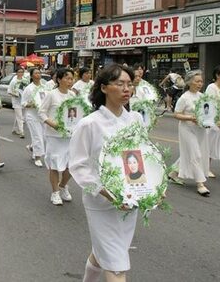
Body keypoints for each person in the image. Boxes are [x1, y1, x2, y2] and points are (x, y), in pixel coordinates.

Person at [69, 64, 142, 282]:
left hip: (130, 201)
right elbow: (78, 166)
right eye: (119, 84)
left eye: (129, 84)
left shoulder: (135, 119)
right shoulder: (89, 124)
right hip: (101, 203)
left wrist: (153, 187)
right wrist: (106, 193)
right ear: (103, 88)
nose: (126, 89)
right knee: (116, 264)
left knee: (105, 253)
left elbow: (142, 157)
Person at [38, 68, 75, 205]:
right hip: (54, 136)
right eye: (67, 78)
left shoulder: (72, 96)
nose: (70, 81)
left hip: (69, 136)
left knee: (70, 165)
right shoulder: (52, 95)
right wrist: (52, 124)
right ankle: (55, 192)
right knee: (54, 164)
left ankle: (63, 186)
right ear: (59, 79)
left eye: (71, 79)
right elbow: (41, 113)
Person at [174, 70, 211, 196]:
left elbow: (208, 113)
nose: (200, 84)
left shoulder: (203, 97)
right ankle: (200, 184)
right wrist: (190, 118)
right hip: (187, 129)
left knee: (192, 152)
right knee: (196, 154)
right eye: (197, 81)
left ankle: (173, 173)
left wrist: (213, 121)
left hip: (200, 130)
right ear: (189, 82)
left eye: (201, 81)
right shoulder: (184, 97)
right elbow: (177, 114)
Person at [22, 68, 46, 167]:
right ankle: (37, 157)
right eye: (36, 73)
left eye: (39, 73)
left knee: (44, 137)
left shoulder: (44, 87)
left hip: (43, 116)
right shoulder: (29, 88)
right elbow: (23, 103)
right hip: (32, 116)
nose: (38, 74)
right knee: (37, 137)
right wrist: (31, 105)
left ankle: (32, 147)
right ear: (32, 76)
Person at [7, 67, 26, 138]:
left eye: (22, 72)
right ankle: (22, 132)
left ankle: (15, 129)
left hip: (23, 101)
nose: (21, 73)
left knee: (19, 116)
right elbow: (9, 91)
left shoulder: (25, 81)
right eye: (19, 72)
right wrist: (15, 94)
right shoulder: (13, 81)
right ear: (17, 73)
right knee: (20, 116)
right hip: (16, 101)